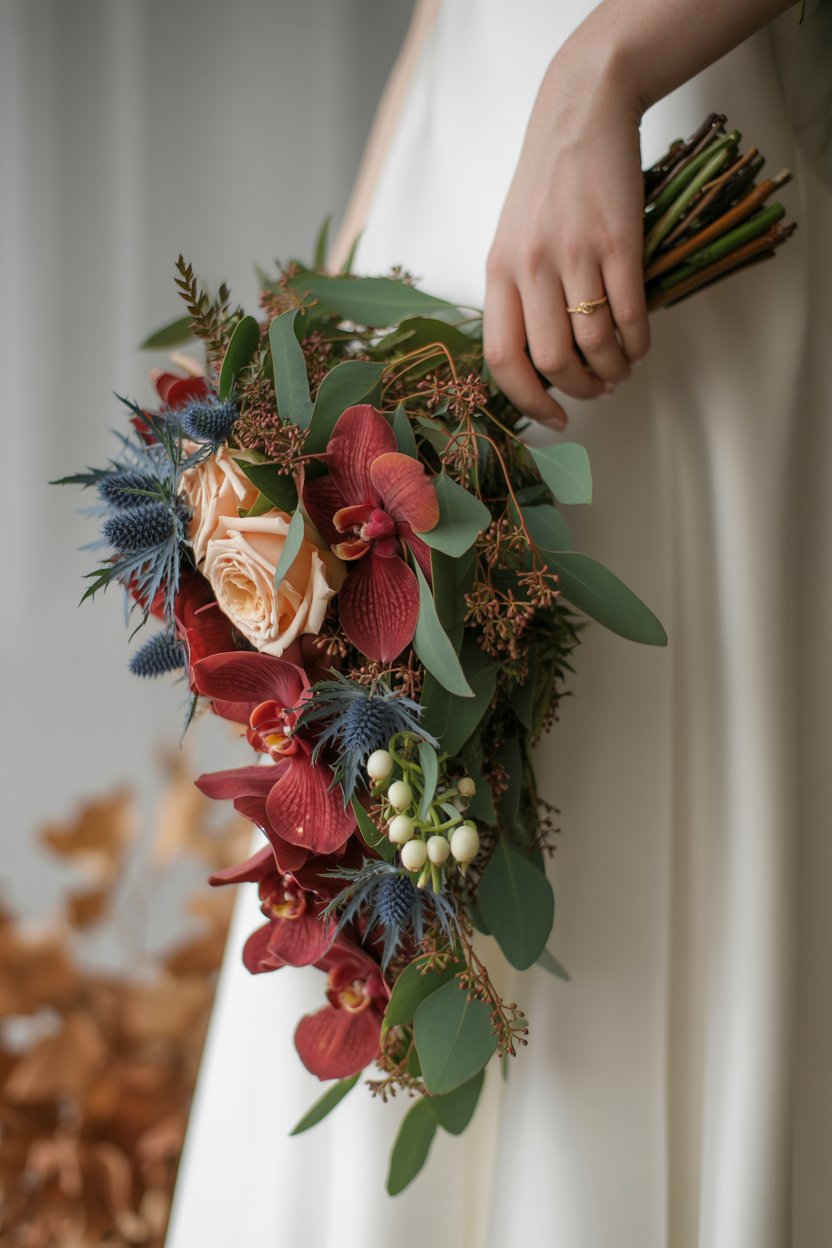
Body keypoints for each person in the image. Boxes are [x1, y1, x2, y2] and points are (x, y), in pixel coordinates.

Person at [167, 2, 832, 1245]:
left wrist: (606, 68)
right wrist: (314, 321)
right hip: (456, 170)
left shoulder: (618, 87)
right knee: (369, 799)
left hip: (657, 137)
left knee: (635, 798)